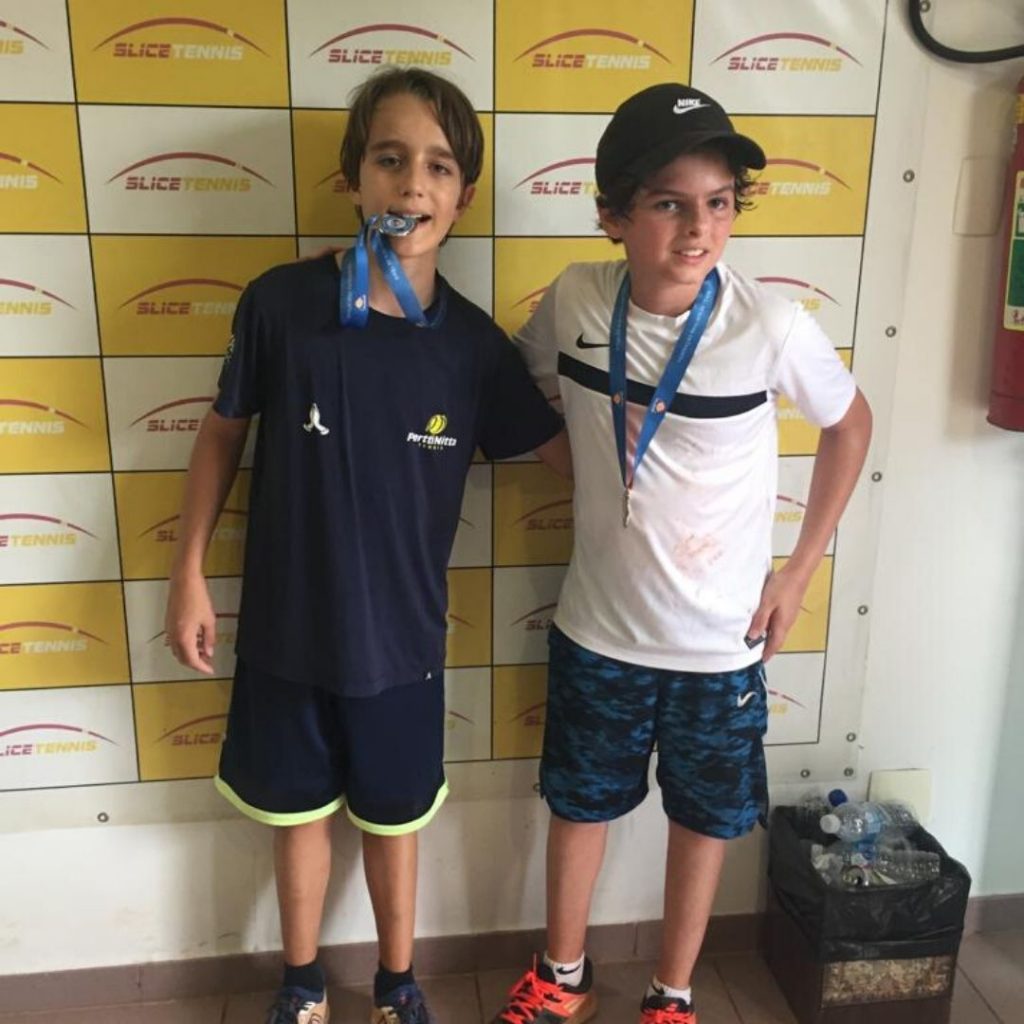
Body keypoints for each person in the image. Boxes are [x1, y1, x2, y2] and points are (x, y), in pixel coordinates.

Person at [165, 67, 569, 1024]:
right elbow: (221, 432)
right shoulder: (279, 304)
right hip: (284, 634)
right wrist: (187, 574)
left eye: (438, 167)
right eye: (390, 160)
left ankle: (397, 983)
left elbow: (568, 458)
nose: (412, 184)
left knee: (396, 821)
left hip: (402, 645)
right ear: (353, 179)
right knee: (296, 816)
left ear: (464, 197)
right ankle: (302, 981)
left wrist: (678, 475)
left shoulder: (473, 347)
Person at [491, 83, 872, 1024]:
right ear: (613, 215)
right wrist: (583, 466)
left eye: (719, 203)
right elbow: (517, 386)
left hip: (720, 646)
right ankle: (563, 976)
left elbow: (851, 425)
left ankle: (672, 994)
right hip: (598, 631)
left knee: (702, 824)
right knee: (579, 807)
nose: (699, 229)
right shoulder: (576, 297)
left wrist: (799, 571)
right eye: (669, 203)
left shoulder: (769, 324)